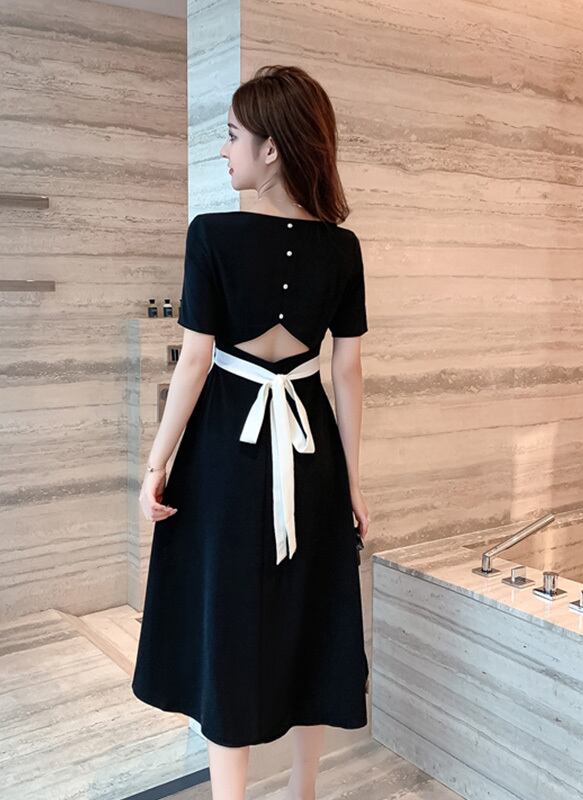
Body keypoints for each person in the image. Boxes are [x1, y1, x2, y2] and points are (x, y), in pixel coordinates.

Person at [131, 65, 370, 800]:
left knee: (226, 617)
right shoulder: (343, 248)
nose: (224, 149)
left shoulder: (211, 234)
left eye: (232, 135)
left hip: (225, 456)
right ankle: (303, 792)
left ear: (272, 149)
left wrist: (156, 461)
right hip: (312, 451)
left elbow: (196, 360)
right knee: (313, 615)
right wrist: (354, 486)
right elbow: (347, 372)